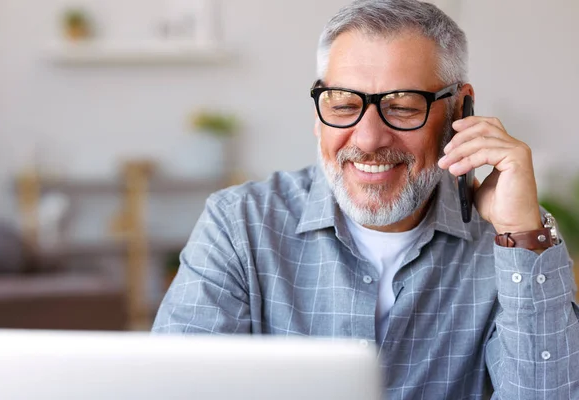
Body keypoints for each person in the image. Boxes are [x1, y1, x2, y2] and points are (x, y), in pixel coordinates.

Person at [153, 0, 579, 397]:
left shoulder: (511, 234)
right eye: (342, 104)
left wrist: (522, 236)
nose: (370, 138)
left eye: (404, 106)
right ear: (318, 114)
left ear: (458, 113)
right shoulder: (238, 224)